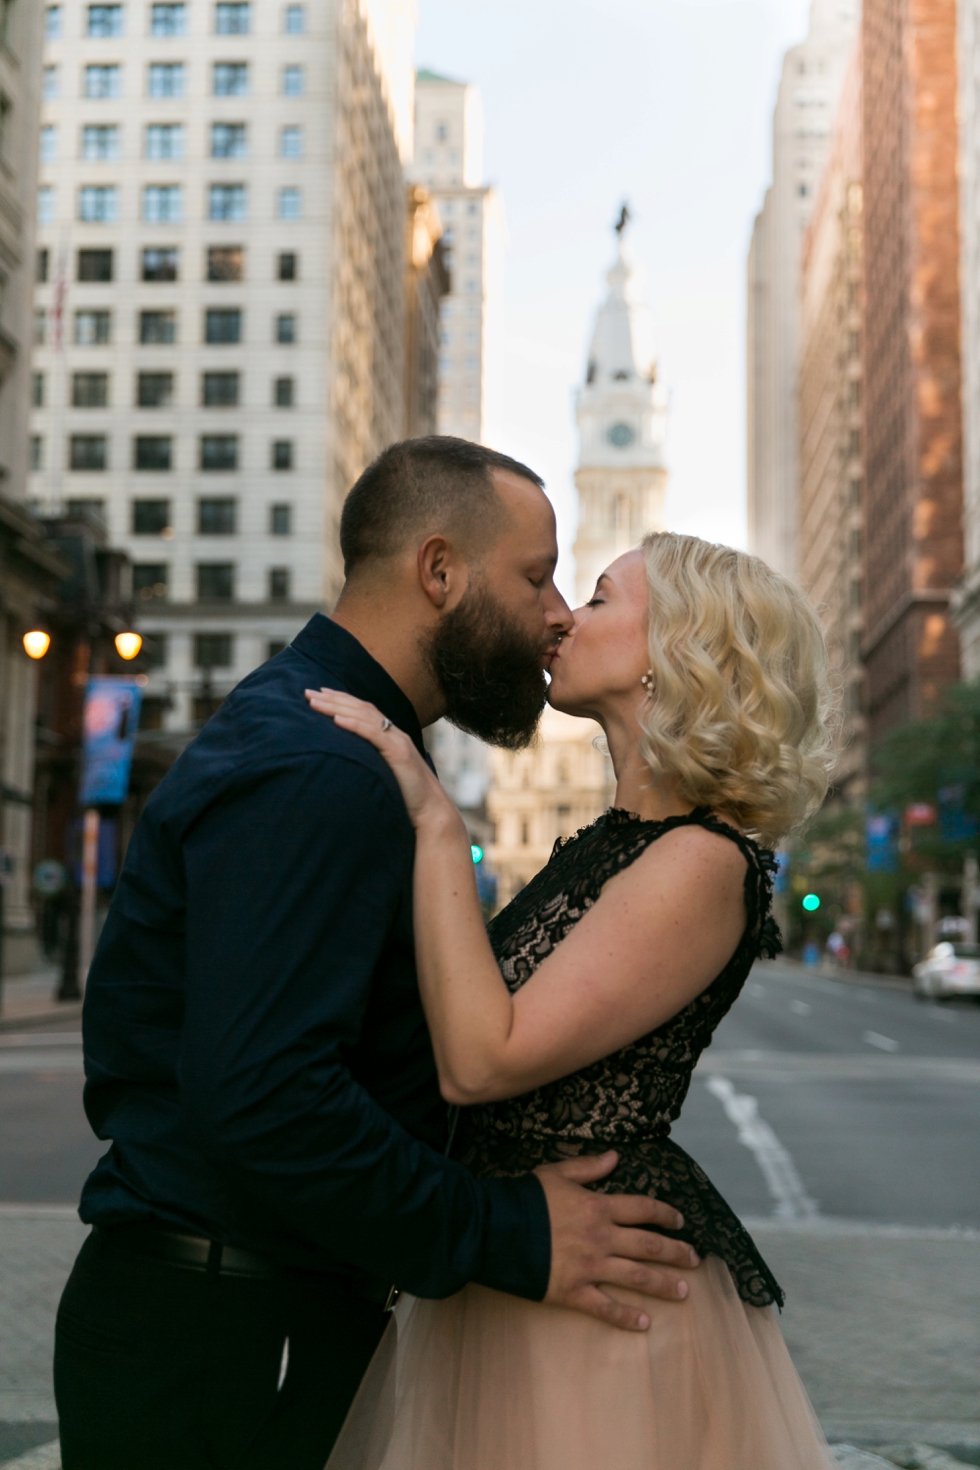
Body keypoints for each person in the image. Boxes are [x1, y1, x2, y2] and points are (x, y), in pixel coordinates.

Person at [53, 439, 697, 1470]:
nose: (555, 615)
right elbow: (263, 1096)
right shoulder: (320, 768)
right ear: (437, 571)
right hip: (225, 1340)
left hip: (240, 1318)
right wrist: (505, 1233)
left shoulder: (346, 750)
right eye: (534, 577)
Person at [307, 531, 838, 1470]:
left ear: (676, 649)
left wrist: (435, 824)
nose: (561, 617)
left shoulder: (700, 860)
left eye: (596, 599)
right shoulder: (617, 842)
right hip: (521, 1266)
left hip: (600, 1299)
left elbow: (481, 1060)